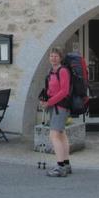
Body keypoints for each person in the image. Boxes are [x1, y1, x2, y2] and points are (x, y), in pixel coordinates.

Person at [39, 46, 72, 177]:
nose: (53, 58)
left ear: (60, 58)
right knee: (61, 135)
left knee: (54, 136)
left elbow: (64, 91)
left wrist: (49, 102)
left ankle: (60, 167)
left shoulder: (63, 71)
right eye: (51, 56)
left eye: (56, 56)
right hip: (55, 107)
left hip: (60, 108)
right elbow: (50, 90)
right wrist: (44, 99)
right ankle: (66, 164)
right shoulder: (51, 71)